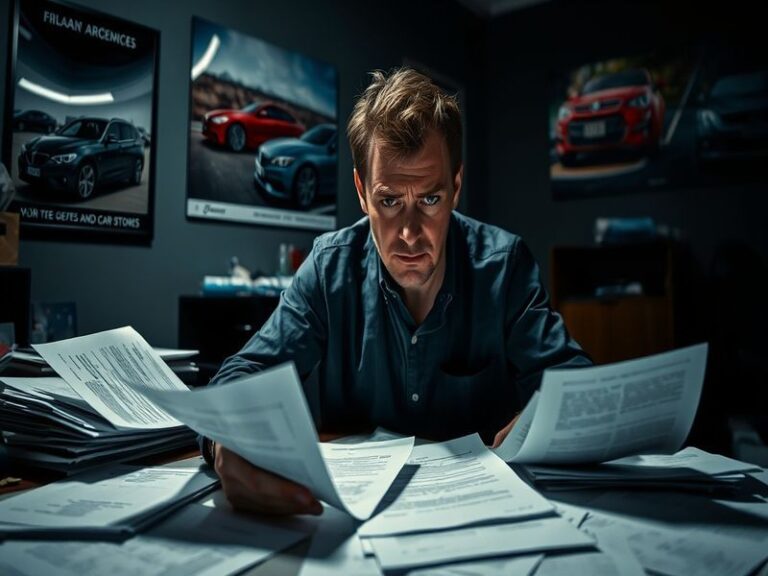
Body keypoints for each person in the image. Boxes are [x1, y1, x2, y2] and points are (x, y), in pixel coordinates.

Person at [202, 68, 591, 516]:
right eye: (389, 201)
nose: (409, 234)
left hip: (484, 514)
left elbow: (576, 382)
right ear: (362, 192)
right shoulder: (329, 269)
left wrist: (550, 415)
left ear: (456, 188)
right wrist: (223, 441)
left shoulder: (505, 267)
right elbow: (241, 373)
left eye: (429, 199)